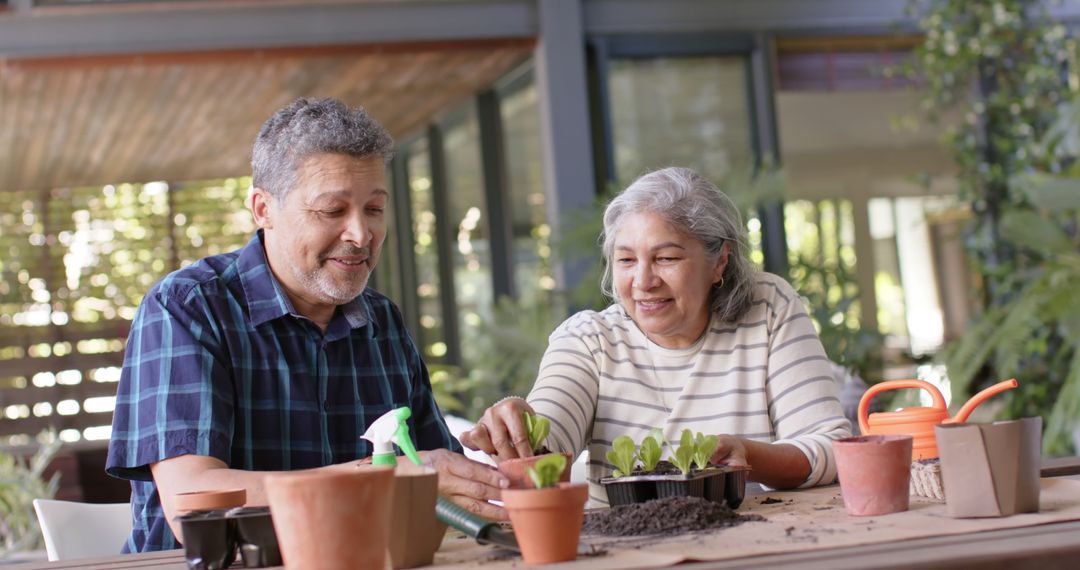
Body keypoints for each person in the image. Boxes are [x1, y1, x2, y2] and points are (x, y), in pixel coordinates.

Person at [106, 98, 508, 552]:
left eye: (374, 209)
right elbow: (194, 505)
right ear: (263, 209)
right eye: (332, 211)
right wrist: (384, 479)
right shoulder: (187, 308)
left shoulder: (384, 323)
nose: (360, 234)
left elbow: (437, 481)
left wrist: (504, 452)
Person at [460, 166, 852, 505]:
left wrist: (747, 456)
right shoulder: (587, 340)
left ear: (720, 262)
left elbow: (829, 449)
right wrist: (519, 424)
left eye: (666, 258)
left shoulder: (766, 307)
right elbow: (550, 441)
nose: (643, 281)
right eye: (627, 260)